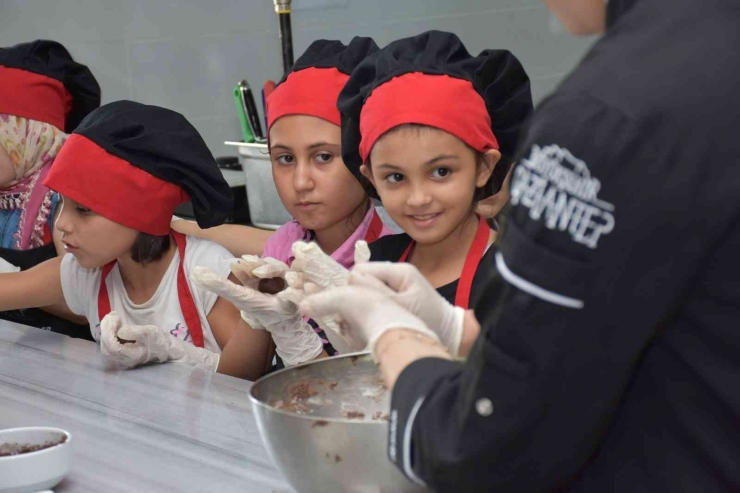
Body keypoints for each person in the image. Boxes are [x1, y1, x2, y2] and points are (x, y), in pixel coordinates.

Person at [295, 0, 740, 491]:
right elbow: (623, 322)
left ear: (485, 167)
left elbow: (485, 445)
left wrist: (393, 334)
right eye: (396, 177)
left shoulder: (605, 116)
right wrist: (454, 327)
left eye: (441, 171)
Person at [0, 101, 271, 380]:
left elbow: (245, 377)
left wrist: (176, 351)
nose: (62, 224)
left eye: (83, 209)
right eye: (62, 205)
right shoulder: (86, 274)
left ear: (139, 213)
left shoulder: (203, 270)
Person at [191, 37, 394, 368]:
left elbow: (365, 399)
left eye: (323, 156)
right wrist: (259, 315)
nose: (301, 182)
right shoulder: (284, 246)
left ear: (364, 158)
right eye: (285, 158)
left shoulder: (391, 258)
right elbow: (234, 381)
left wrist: (296, 336)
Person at [0, 39, 101, 339]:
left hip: (65, 361)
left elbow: (86, 308)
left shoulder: (67, 197)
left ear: (30, 138)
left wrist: (8, 277)